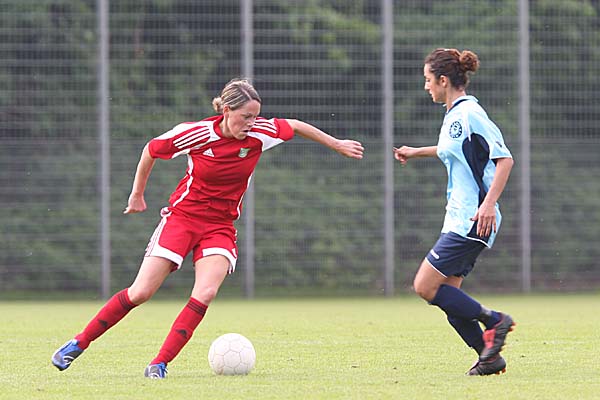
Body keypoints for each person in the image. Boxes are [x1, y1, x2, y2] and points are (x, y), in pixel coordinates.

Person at [51, 78, 364, 379]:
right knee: (141, 292)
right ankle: (79, 343)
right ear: (226, 111)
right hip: (182, 218)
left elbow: (293, 125)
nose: (252, 123)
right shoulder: (197, 134)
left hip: (220, 226)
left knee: (206, 291)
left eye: (255, 116)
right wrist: (137, 194)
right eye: (245, 117)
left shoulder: (259, 134)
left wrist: (336, 144)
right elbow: (151, 149)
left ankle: (159, 364)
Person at [394, 48, 515, 376]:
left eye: (428, 80)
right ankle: (489, 357)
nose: (426, 86)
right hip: (461, 217)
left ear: (443, 80)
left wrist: (487, 204)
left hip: (474, 218)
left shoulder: (471, 113)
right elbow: (452, 149)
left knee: (425, 286)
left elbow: (505, 159)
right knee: (448, 296)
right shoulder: (454, 115)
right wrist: (415, 152)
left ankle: (495, 321)